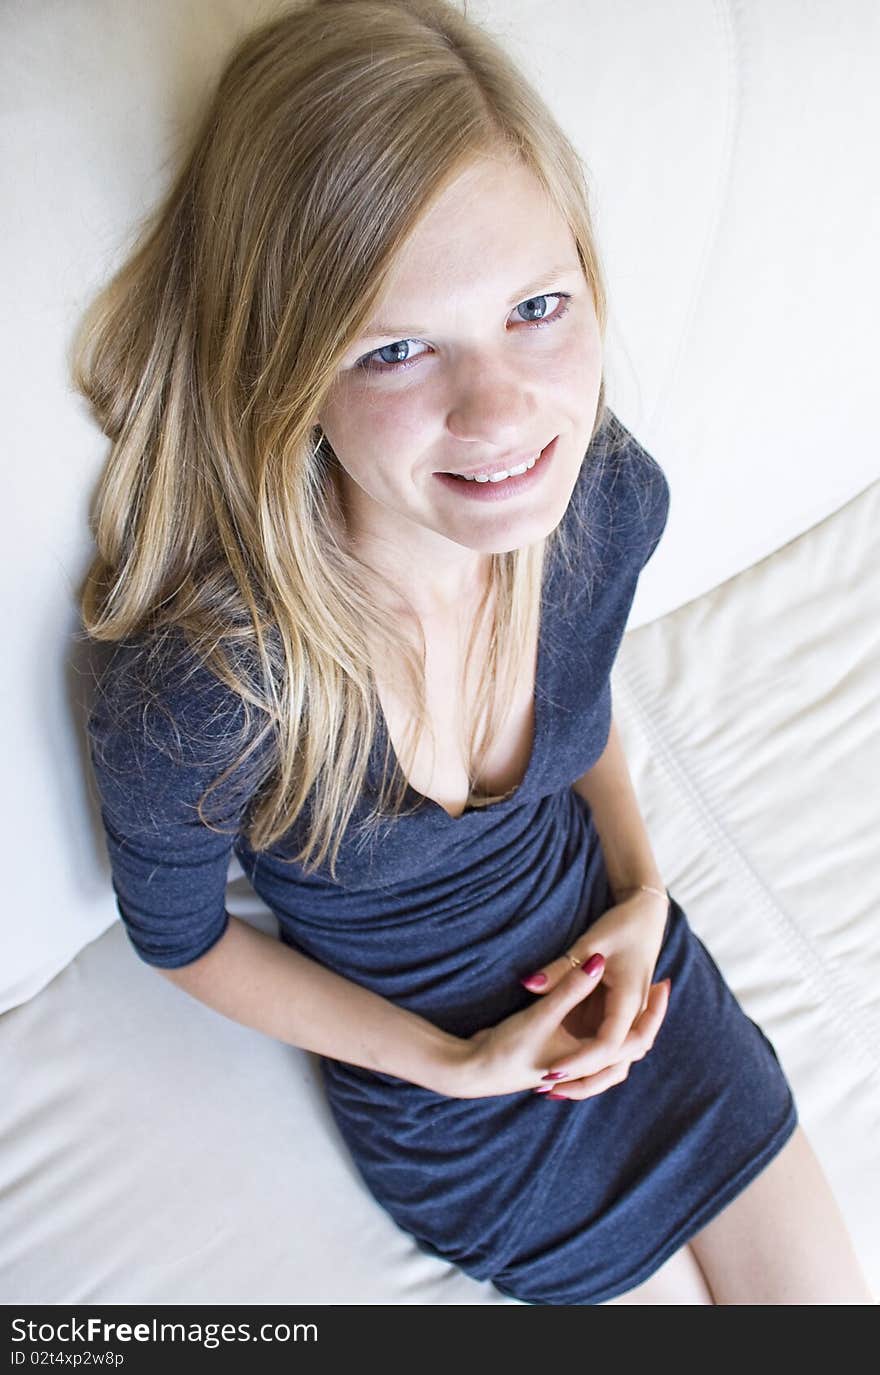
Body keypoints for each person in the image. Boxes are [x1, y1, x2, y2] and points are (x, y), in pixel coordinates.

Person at [77, 0, 872, 1305]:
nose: (502, 410)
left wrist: (641, 886)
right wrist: (452, 1066)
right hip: (448, 1092)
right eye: (397, 346)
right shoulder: (210, 692)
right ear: (290, 373)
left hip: (631, 973)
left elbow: (586, 695)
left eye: (536, 306)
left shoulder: (601, 497)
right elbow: (182, 939)